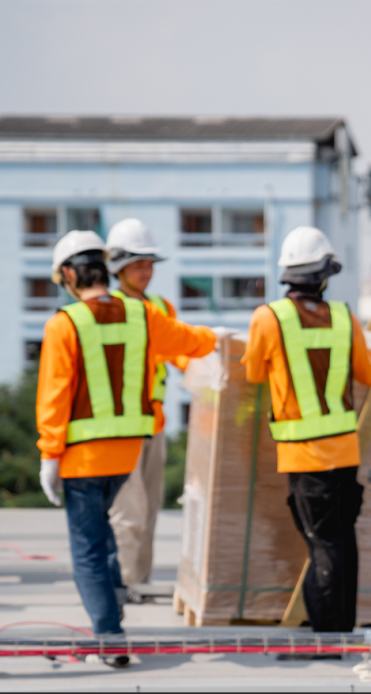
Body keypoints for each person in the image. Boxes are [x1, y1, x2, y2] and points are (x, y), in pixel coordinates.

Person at [36, 230, 216, 664]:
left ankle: (110, 639)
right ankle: (112, 611)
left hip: (82, 460)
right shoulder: (142, 315)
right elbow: (198, 343)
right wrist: (214, 334)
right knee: (107, 540)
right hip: (127, 454)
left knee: (89, 549)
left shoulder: (64, 324)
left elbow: (54, 396)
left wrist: (49, 455)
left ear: (67, 274)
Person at [242, 226, 371, 633]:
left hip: (302, 454)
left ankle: (331, 632)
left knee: (324, 543)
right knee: (336, 539)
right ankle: (333, 623)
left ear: (287, 274)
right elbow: (370, 373)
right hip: (343, 452)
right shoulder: (343, 318)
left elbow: (251, 372)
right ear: (324, 275)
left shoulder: (268, 319)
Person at [105, 218, 184, 597]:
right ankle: (125, 583)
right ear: (117, 267)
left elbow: (178, 351)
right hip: (122, 427)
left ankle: (141, 581)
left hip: (154, 424)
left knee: (150, 507)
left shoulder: (160, 307)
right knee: (128, 510)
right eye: (138, 265)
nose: (146, 272)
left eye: (150, 264)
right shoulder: (109, 309)